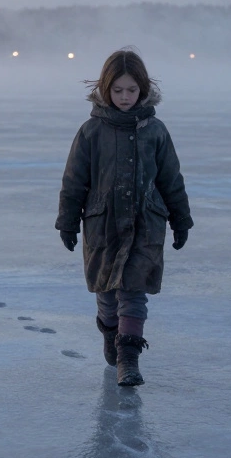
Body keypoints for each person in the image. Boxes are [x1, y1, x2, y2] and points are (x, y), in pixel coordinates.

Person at [56, 48, 193, 387]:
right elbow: (74, 180)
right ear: (105, 88)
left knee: (133, 290)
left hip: (146, 223)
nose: (125, 97)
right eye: (117, 90)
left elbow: (171, 179)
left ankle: (128, 359)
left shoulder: (156, 131)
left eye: (132, 90)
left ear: (143, 89)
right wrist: (68, 221)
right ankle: (110, 331)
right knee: (106, 292)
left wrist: (181, 219)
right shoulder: (91, 131)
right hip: (103, 224)